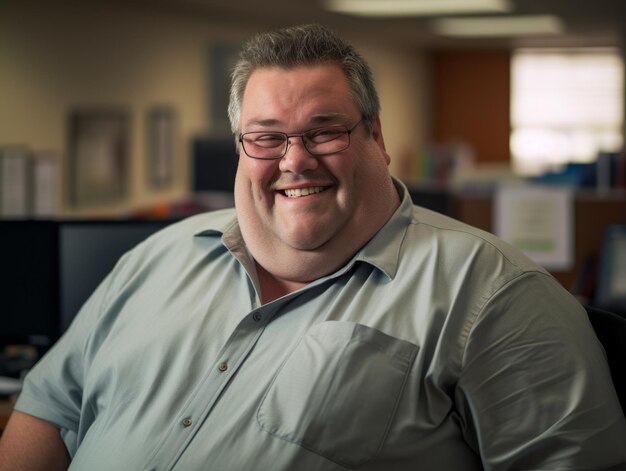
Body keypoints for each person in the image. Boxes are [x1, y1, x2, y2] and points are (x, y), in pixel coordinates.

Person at [1, 23, 625, 471]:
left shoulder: (493, 295)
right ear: (242, 146)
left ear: (376, 135)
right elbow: (50, 409)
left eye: (323, 132)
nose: (294, 161)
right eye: (266, 137)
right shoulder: (158, 258)